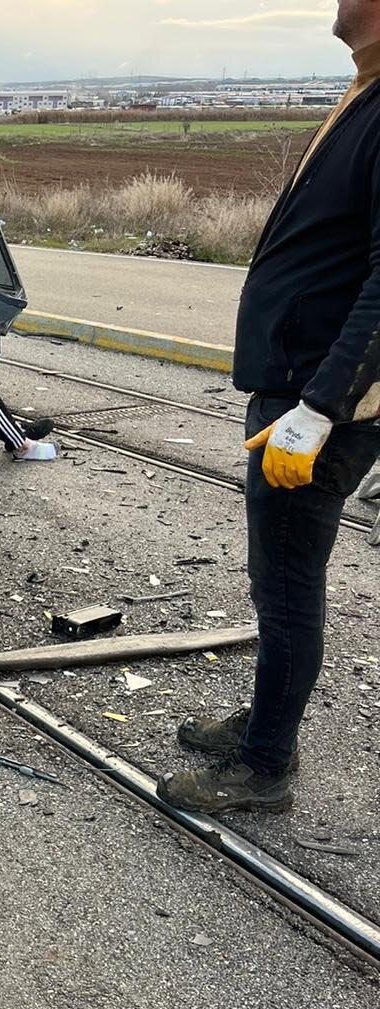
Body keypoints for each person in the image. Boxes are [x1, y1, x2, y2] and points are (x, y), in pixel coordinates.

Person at [160, 0, 380, 815]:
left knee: (287, 584)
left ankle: (264, 768)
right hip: (300, 387)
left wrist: (321, 406)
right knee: (275, 577)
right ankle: (267, 721)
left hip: (322, 401)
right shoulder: (365, 92)